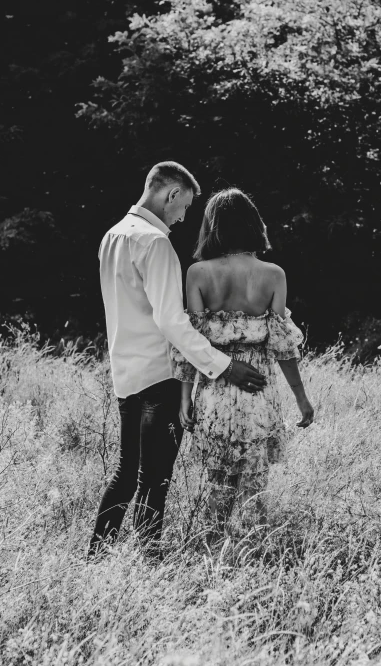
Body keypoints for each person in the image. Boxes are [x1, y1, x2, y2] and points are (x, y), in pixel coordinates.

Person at [88, 163, 266, 559]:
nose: (183, 217)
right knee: (155, 478)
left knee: (125, 475)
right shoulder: (155, 243)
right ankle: (148, 562)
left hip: (125, 373)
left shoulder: (111, 237)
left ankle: (95, 559)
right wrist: (223, 365)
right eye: (183, 207)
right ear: (170, 194)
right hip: (160, 375)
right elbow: (172, 322)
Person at [172, 187, 314, 541]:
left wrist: (184, 398)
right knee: (255, 487)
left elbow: (192, 340)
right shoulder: (273, 274)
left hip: (215, 391)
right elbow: (283, 347)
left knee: (218, 488)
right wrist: (301, 398)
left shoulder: (198, 273)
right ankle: (253, 553)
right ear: (254, 225)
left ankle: (212, 552)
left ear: (212, 227)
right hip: (258, 393)